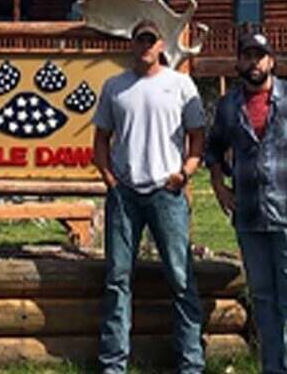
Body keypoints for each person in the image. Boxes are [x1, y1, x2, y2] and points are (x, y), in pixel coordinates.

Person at [93, 18, 206, 374]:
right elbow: (100, 140)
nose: (145, 45)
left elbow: (197, 137)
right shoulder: (114, 87)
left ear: (161, 46)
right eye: (140, 39)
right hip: (124, 194)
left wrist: (185, 173)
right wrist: (110, 179)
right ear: (132, 44)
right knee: (117, 279)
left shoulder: (181, 84)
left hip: (166, 192)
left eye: (151, 40)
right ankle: (113, 364)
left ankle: (191, 363)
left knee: (181, 277)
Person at [207, 29, 287, 373]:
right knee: (264, 297)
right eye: (247, 56)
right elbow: (213, 149)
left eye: (260, 56)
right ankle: (272, 367)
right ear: (239, 62)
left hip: (285, 211)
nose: (254, 63)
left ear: (271, 61)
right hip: (249, 214)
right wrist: (219, 186)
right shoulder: (229, 105)